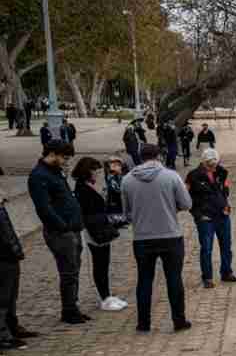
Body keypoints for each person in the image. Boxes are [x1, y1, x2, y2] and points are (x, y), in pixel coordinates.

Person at [121, 144, 192, 332]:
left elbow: (126, 213)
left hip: (142, 237)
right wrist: (170, 207)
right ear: (159, 156)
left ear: (140, 157)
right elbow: (186, 204)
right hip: (170, 235)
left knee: (144, 280)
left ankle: (143, 323)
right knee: (174, 279)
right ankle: (179, 320)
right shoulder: (171, 176)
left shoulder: (127, 180)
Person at [28, 140, 88, 324]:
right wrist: (63, 226)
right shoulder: (39, 176)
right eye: (64, 157)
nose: (66, 161)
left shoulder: (55, 172)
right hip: (61, 232)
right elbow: (44, 208)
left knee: (74, 270)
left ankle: (73, 306)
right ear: (52, 154)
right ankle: (69, 311)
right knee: (68, 272)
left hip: (72, 229)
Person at [71, 157, 127, 312]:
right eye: (95, 170)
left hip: (100, 226)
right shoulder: (82, 188)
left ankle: (107, 295)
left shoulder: (90, 185)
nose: (97, 173)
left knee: (104, 263)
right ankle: (104, 297)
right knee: (100, 264)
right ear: (87, 171)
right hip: (94, 230)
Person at [185, 148, 236, 288]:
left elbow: (225, 190)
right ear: (204, 162)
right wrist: (198, 215)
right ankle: (207, 278)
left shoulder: (222, 172)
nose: (213, 166)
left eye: (215, 163)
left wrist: (226, 204)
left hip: (223, 215)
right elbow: (186, 199)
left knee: (226, 246)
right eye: (210, 164)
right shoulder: (193, 176)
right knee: (207, 248)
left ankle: (227, 272)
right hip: (205, 218)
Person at [0, 191, 38, 349]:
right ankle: (3, 335)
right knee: (3, 297)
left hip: (9, 255)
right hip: (3, 256)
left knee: (10, 295)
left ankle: (11, 326)